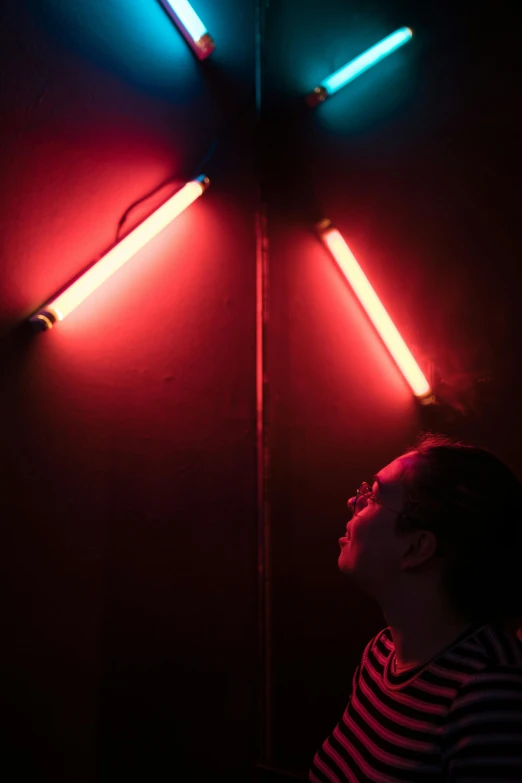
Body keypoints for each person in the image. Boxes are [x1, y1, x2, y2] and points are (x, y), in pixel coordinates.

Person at [310, 432, 522, 783]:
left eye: (373, 496)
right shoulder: (381, 654)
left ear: (417, 547)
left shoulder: (490, 698)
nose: (353, 501)